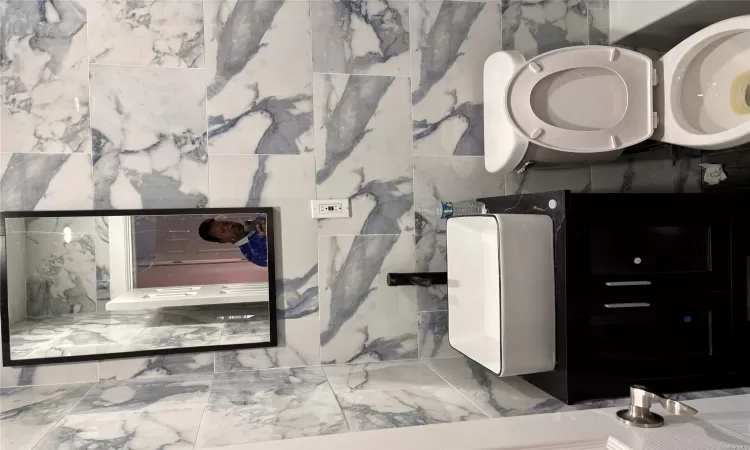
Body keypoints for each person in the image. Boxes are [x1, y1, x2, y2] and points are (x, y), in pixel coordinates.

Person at [198, 217, 268, 267]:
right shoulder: (255, 254)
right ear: (223, 241)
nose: (230, 226)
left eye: (226, 223)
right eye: (223, 231)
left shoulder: (257, 221)